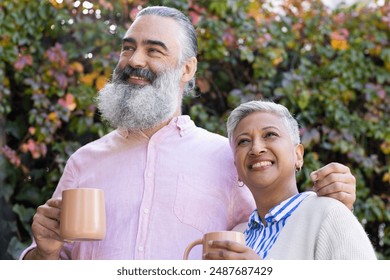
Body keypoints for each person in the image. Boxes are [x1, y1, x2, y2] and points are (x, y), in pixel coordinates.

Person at [21, 6, 357, 260]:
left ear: (187, 68)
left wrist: (335, 202)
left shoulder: (228, 158)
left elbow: (284, 233)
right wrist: (44, 253)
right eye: (127, 47)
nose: (134, 60)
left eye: (154, 50)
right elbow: (47, 263)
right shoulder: (84, 162)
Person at [204, 100, 376, 260]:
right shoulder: (237, 235)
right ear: (237, 168)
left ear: (298, 155)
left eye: (270, 134)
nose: (256, 149)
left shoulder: (329, 213)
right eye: (243, 141)